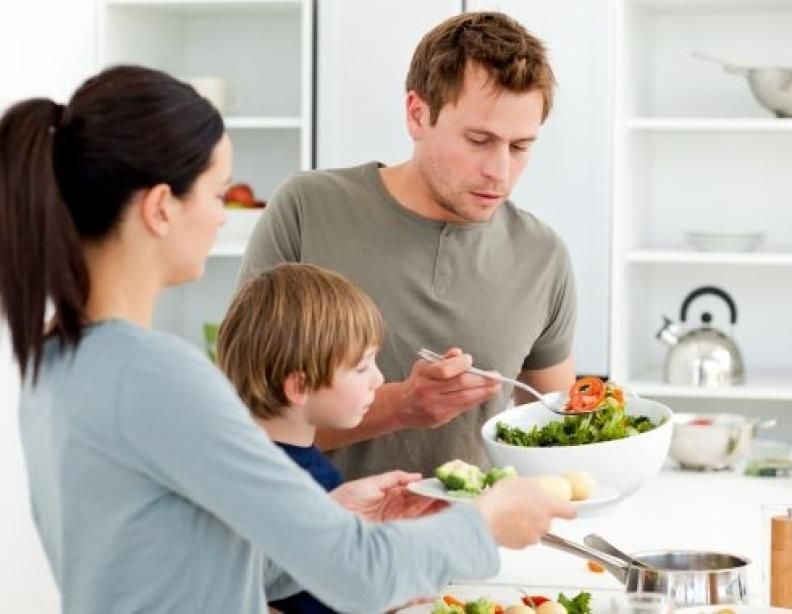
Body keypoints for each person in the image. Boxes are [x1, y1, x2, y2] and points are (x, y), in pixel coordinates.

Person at [0, 64, 574, 613]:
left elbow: (174, 558)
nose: (223, 217)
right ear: (160, 208)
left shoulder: (56, 356)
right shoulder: (157, 375)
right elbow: (358, 573)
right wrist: (486, 522)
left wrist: (330, 514)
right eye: (218, 194)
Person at [240, 11, 578, 480]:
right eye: (479, 140)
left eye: (520, 146)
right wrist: (399, 406)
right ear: (417, 114)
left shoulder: (544, 257)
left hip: (470, 546)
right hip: (311, 540)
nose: (500, 172)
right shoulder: (307, 209)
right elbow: (241, 421)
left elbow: (557, 435)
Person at [217, 262, 449, 614]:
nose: (378, 379)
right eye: (362, 367)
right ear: (300, 386)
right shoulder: (281, 487)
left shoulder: (257, 463)